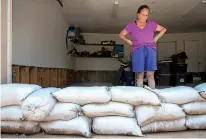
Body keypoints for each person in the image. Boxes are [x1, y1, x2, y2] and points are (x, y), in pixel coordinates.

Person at [119, 5, 167, 89]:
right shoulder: (131, 25)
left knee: (150, 75)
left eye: (146, 15)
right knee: (140, 75)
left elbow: (163, 29)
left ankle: (153, 95)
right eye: (142, 14)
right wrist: (127, 41)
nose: (144, 17)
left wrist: (156, 38)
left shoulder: (151, 24)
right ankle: (140, 95)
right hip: (137, 50)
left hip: (150, 49)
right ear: (138, 14)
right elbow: (121, 34)